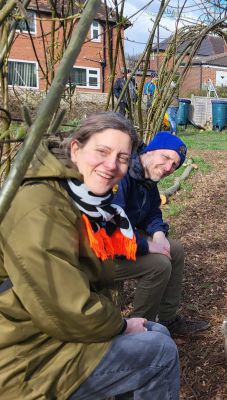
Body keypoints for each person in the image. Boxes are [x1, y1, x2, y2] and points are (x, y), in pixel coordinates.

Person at [0, 112, 180, 399]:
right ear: (75, 148)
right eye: (102, 151)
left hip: (50, 332)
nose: (112, 165)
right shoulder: (40, 208)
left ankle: (161, 319)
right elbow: (66, 307)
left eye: (122, 157)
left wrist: (158, 233)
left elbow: (151, 215)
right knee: (159, 352)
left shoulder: (87, 197)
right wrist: (121, 325)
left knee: (157, 331)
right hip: (27, 356)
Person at [113, 131, 209, 336]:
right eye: (166, 158)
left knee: (175, 250)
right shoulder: (122, 175)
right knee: (159, 265)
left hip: (127, 240)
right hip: (102, 251)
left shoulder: (147, 177)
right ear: (150, 150)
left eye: (174, 165)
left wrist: (158, 233)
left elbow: (153, 211)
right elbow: (113, 233)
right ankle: (138, 329)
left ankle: (168, 318)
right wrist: (149, 246)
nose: (168, 168)